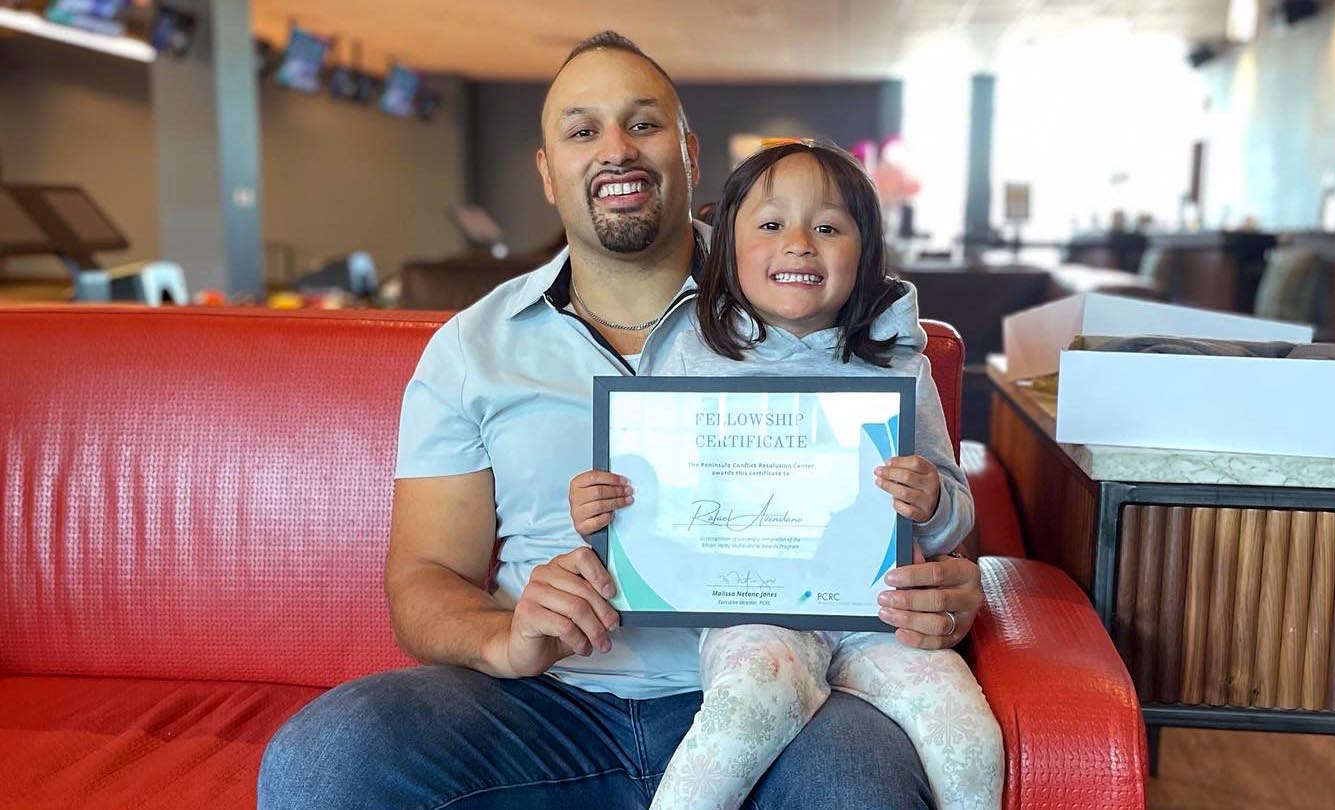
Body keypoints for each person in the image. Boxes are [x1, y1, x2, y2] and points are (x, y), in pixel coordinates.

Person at [257, 32, 987, 809]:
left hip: (794, 684)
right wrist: (503, 639)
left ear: (689, 154)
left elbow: (930, 519)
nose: (615, 151)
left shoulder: (809, 301)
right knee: (322, 760)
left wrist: (955, 589)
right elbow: (421, 577)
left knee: (860, 791)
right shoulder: (473, 347)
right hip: (549, 700)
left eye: (642, 125)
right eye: (582, 131)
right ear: (547, 172)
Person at [569, 141, 1002, 810]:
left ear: (864, 253)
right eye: (771, 225)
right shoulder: (689, 351)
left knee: (969, 735)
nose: (800, 243)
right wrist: (605, 505)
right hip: (753, 614)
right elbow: (648, 488)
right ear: (727, 249)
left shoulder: (899, 365)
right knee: (745, 707)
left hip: (876, 615)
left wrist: (933, 500)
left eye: (828, 227)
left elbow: (955, 516)